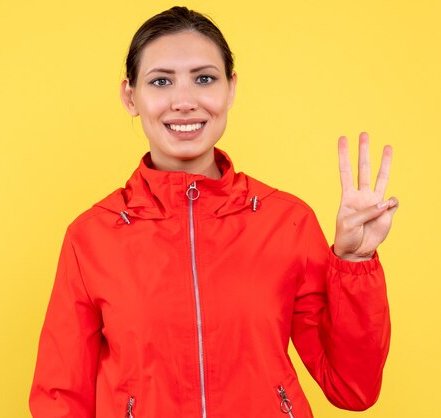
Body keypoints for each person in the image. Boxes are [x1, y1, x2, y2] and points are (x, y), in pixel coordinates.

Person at [29, 6, 398, 418]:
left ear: (230, 89)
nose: (184, 102)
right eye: (161, 81)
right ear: (130, 96)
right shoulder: (92, 236)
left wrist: (354, 262)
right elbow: (59, 400)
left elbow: (353, 388)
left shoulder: (286, 222)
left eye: (204, 79)